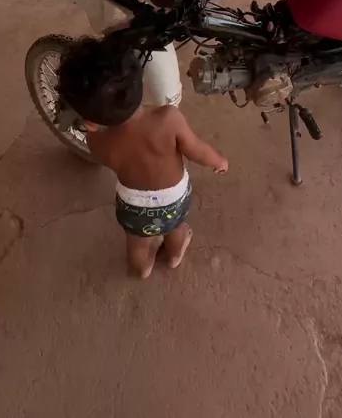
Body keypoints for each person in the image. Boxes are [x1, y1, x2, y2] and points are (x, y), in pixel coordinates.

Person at [58, 35, 228, 279]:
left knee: (137, 241)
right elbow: (198, 151)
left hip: (133, 207)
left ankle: (142, 267)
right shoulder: (169, 119)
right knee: (176, 227)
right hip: (175, 200)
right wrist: (219, 162)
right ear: (140, 80)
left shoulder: (96, 141)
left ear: (90, 123)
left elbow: (108, 158)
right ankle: (175, 254)